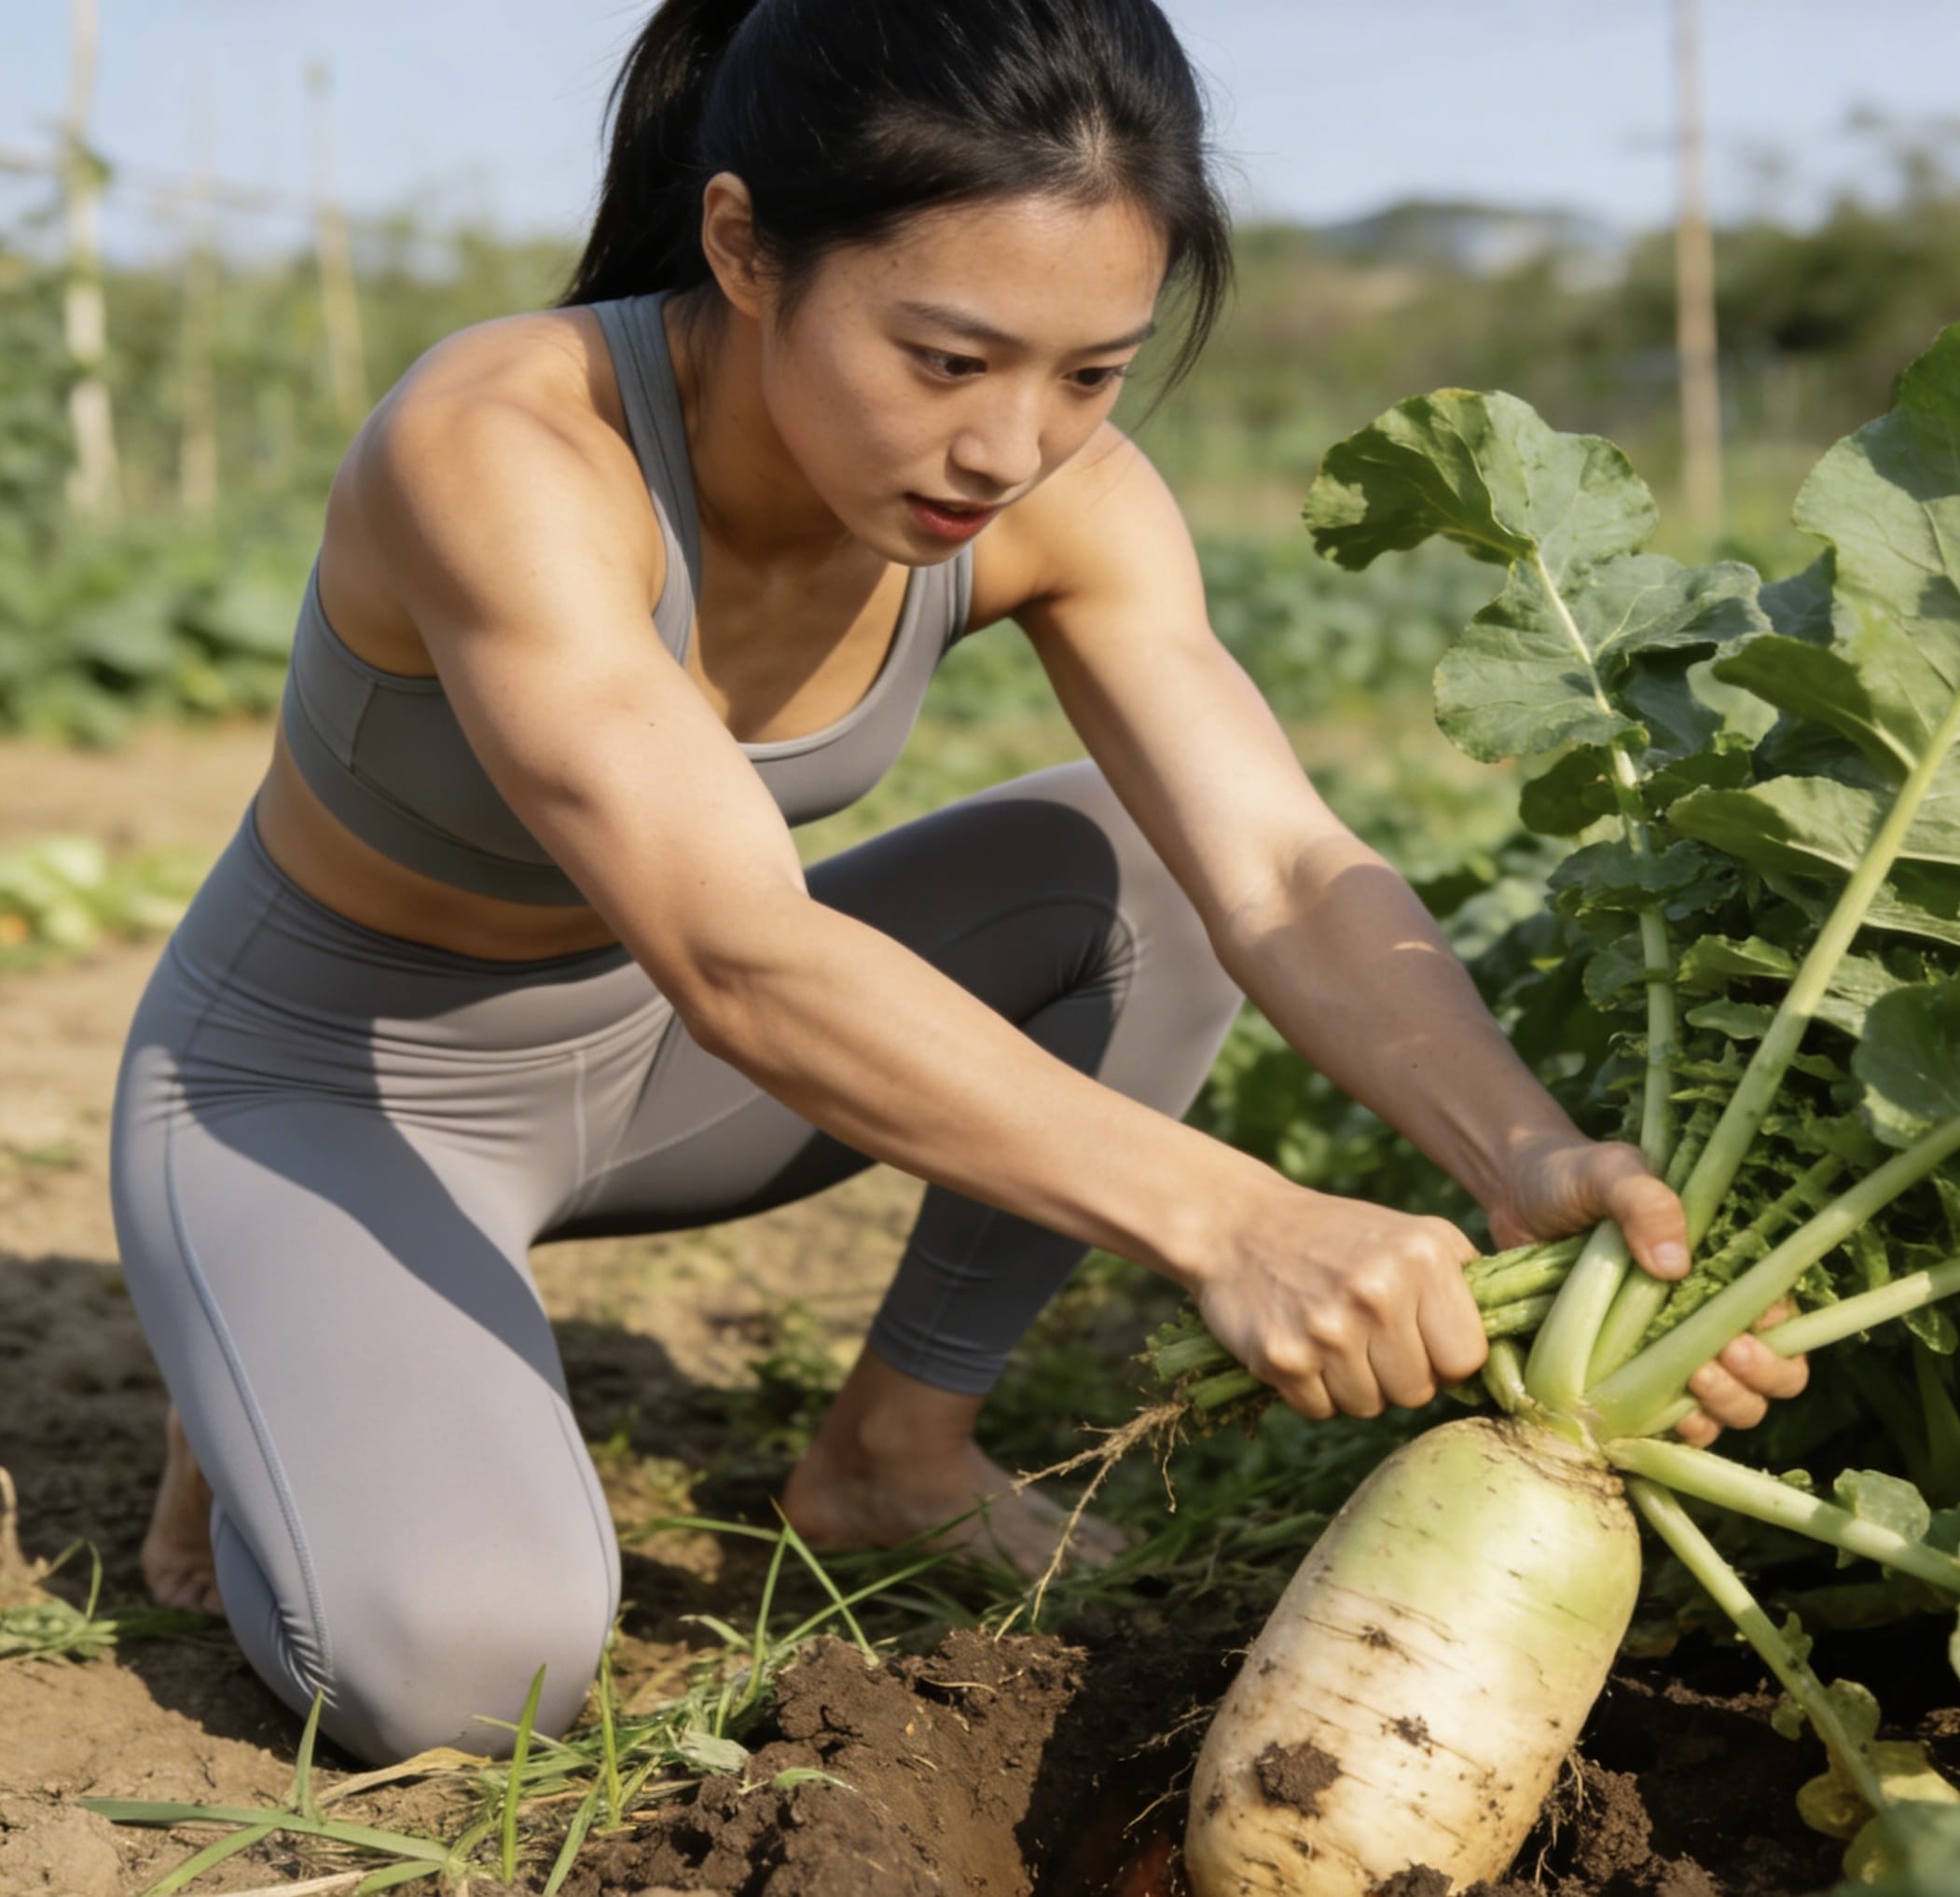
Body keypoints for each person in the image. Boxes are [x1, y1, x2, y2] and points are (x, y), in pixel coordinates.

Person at [108, 0, 1804, 1770]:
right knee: (470, 1669)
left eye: (1088, 373)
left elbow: (1281, 867)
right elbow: (746, 949)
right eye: (945, 359)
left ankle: (893, 1456)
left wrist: (1532, 1160)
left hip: (671, 1074)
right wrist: (1238, 1220)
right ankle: (257, 1330)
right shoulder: (505, 444)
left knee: (1135, 860)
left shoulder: (1062, 498)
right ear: (745, 244)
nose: (1011, 450)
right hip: (322, 1088)